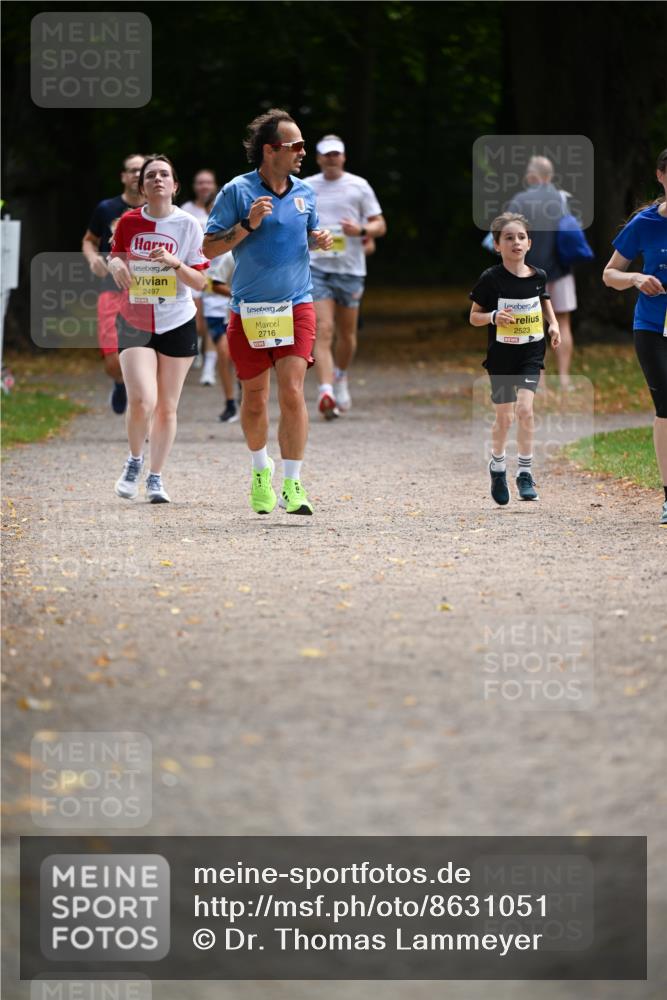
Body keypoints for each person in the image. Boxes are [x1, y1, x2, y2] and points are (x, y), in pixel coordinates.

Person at [203, 108, 332, 515]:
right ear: (270, 150)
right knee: (255, 398)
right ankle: (262, 470)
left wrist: (318, 238)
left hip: (297, 304)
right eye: (294, 145)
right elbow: (208, 249)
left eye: (302, 145)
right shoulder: (237, 192)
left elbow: (303, 237)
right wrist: (247, 224)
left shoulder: (305, 193)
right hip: (251, 310)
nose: (302, 152)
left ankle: (293, 483)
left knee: (293, 390)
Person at [108, 154, 209, 503]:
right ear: (142, 187)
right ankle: (134, 461)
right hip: (135, 320)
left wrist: (174, 262)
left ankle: (155, 477)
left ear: (175, 185)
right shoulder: (128, 222)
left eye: (165, 174)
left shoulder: (189, 225)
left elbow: (200, 281)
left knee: (167, 407)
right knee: (141, 399)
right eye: (151, 176)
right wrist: (116, 266)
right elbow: (116, 256)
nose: (158, 180)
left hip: (177, 320)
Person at [469, 212, 561, 505]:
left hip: (531, 352)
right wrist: (494, 316)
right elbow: (473, 317)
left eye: (521, 237)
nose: (516, 242)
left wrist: (554, 324)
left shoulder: (538, 275)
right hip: (501, 357)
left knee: (525, 411)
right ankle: (497, 466)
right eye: (509, 238)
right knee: (505, 418)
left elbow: (543, 298)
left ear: (529, 243)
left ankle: (524, 472)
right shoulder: (491, 279)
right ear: (497, 245)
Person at [603, 148, 667, 526]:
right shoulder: (643, 224)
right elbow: (609, 274)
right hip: (652, 327)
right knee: (666, 407)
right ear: (661, 176)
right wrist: (636, 278)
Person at [304, 135, 386, 418]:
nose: (331, 158)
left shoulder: (358, 185)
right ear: (317, 158)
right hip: (317, 267)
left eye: (335, 154)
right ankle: (325, 391)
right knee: (324, 329)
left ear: (344, 157)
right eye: (326, 154)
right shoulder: (306, 187)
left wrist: (361, 231)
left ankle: (340, 376)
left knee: (347, 335)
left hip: (350, 269)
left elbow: (380, 225)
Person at [82, 153, 145, 413]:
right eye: (131, 170)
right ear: (123, 176)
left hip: (146, 292)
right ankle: (119, 382)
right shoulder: (106, 209)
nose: (136, 175)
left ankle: (144, 404)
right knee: (111, 359)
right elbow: (89, 240)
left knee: (146, 353)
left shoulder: (158, 209)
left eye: (141, 170)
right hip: (111, 289)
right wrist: (92, 258)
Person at [507, 156, 577, 390]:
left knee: (533, 326)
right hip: (561, 271)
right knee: (563, 323)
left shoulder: (519, 200)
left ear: (532, 176)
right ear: (549, 176)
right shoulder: (561, 198)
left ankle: (540, 382)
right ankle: (565, 379)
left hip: (530, 273)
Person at [181, 169, 219, 384]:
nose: (204, 186)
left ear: (213, 185)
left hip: (216, 272)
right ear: (195, 186)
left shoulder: (221, 208)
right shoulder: (185, 210)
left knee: (212, 320)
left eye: (208, 182)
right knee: (198, 322)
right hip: (193, 271)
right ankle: (197, 348)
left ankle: (209, 369)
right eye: (200, 182)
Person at [202, 249, 238, 422]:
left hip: (252, 313)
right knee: (224, 352)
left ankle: (246, 396)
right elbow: (214, 283)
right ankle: (230, 402)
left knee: (244, 358)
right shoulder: (230, 255)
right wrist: (238, 294)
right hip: (217, 309)